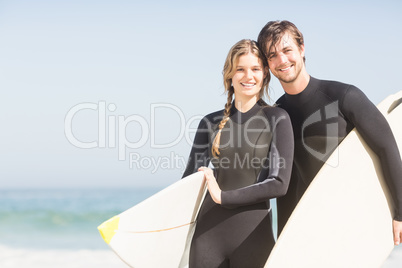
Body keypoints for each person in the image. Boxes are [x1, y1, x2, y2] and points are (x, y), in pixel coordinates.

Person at [257, 20, 402, 245]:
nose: (282, 60)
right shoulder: (276, 115)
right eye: (272, 55)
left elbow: (387, 147)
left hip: (350, 226)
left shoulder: (344, 96)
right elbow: (280, 181)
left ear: (302, 48)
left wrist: (400, 214)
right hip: (306, 234)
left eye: (287, 50)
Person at [182, 39, 294, 267]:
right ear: (229, 76)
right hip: (207, 237)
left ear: (264, 74)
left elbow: (279, 184)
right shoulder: (210, 122)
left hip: (253, 237)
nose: (248, 76)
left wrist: (222, 196)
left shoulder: (277, 119)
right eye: (240, 69)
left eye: (254, 69)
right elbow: (187, 182)